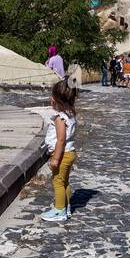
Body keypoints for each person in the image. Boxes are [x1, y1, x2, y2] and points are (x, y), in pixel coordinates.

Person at [40, 80, 79, 223]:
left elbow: (61, 140)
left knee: (57, 182)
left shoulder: (60, 118)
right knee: (65, 182)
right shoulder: (70, 114)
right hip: (70, 153)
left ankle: (59, 210)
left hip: (62, 155)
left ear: (55, 100)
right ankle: (67, 207)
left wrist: (55, 158)